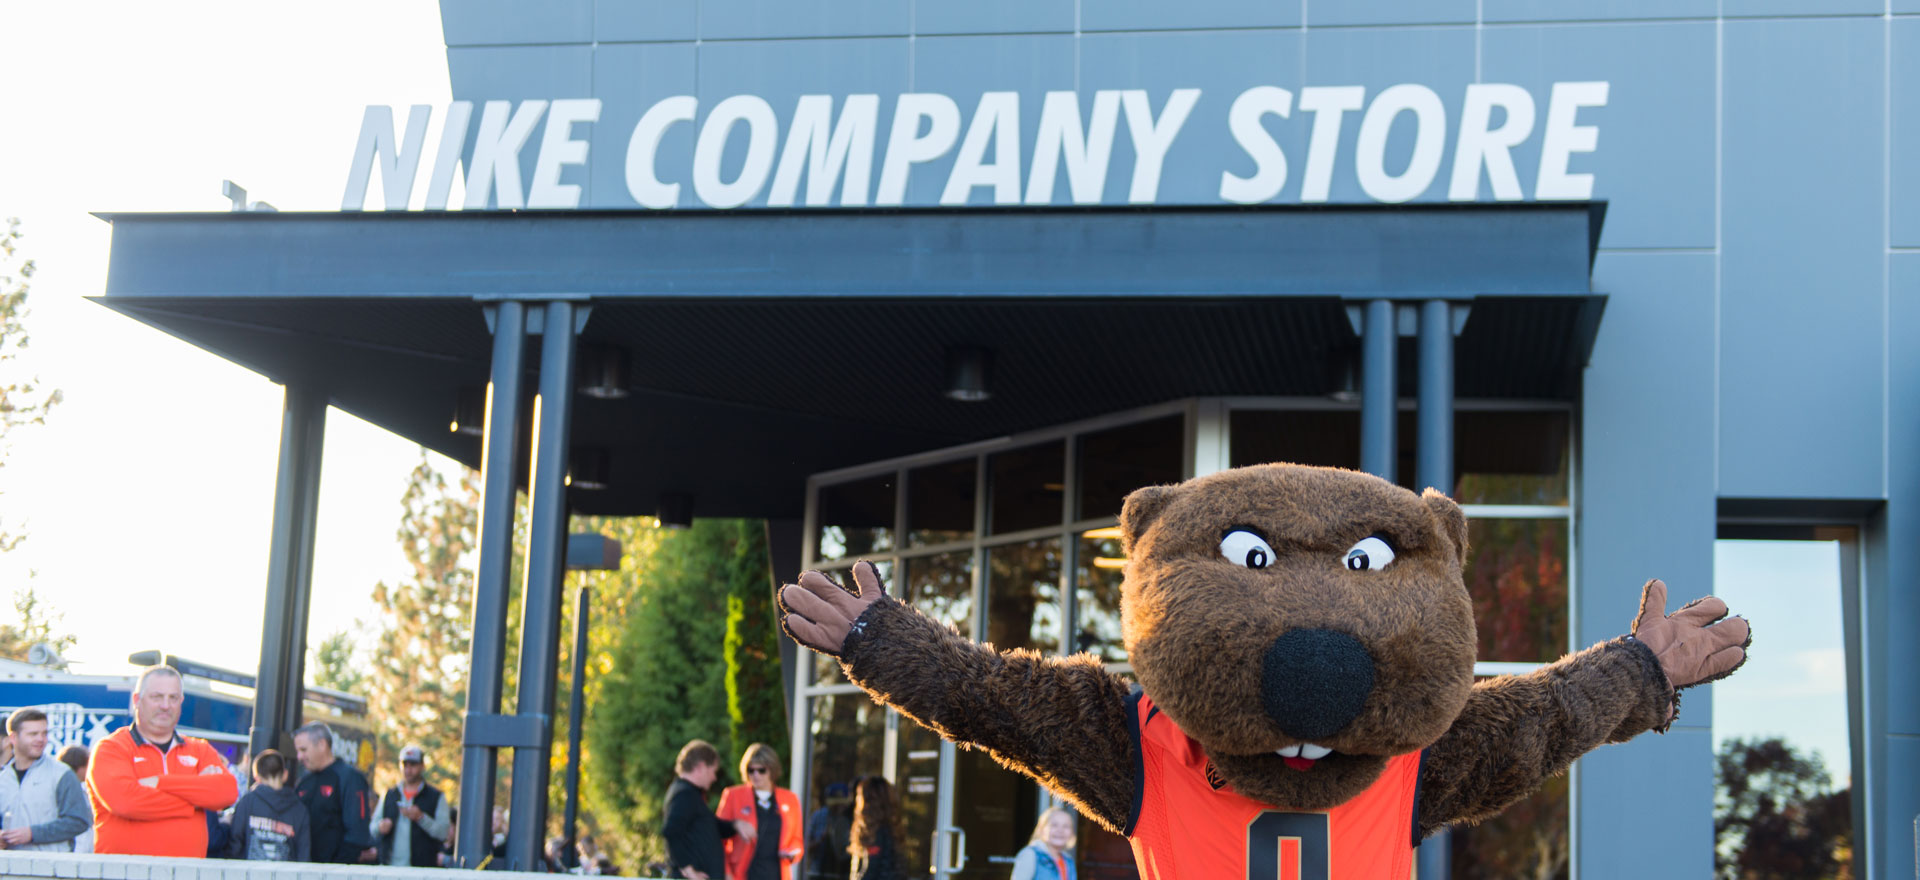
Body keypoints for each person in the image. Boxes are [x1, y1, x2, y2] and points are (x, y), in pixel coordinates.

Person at [89, 665, 239, 856]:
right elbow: (126, 803)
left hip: (186, 874)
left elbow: (226, 792)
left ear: (181, 701)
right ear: (137, 700)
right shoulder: (111, 749)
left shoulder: (199, 749)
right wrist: (194, 801)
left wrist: (160, 782)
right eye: (157, 697)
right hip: (124, 874)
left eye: (173, 698)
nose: (165, 705)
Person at [0, 707, 92, 852]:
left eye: (44, 733)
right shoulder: (3, 778)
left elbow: (79, 821)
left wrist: (33, 833)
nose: (40, 739)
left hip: (52, 870)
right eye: (33, 734)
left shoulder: (62, 774)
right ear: (13, 738)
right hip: (10, 869)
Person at [662, 739, 755, 880]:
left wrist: (736, 825)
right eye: (713, 771)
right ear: (701, 767)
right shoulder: (684, 794)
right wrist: (689, 870)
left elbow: (711, 827)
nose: (714, 777)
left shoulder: (692, 794)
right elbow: (671, 831)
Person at [292, 721, 376, 863]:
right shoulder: (304, 781)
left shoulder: (349, 778)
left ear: (322, 745)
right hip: (305, 868)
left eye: (303, 750)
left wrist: (335, 868)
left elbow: (357, 833)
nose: (299, 757)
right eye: (298, 751)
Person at [716, 743, 803, 880]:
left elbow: (797, 840)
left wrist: (792, 853)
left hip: (776, 873)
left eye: (761, 770)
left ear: (772, 771)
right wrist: (726, 873)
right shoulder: (733, 795)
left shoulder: (789, 799)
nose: (756, 775)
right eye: (751, 770)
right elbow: (718, 838)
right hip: (742, 874)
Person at [372, 744, 450, 868]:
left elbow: (443, 833)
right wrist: (381, 826)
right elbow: (372, 828)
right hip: (389, 868)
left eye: (413, 765)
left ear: (422, 766)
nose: (408, 770)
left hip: (422, 870)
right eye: (405, 765)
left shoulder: (436, 797)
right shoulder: (390, 794)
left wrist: (421, 818)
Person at [227, 750, 310, 861]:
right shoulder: (300, 809)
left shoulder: (247, 802)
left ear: (257, 778)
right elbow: (304, 853)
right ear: (285, 775)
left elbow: (235, 844)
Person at [846, 776, 902, 880]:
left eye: (859, 795)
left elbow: (870, 871)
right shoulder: (889, 829)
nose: (856, 799)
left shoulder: (877, 832)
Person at [1008, 807, 1076, 880]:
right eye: (1054, 825)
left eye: (1066, 826)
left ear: (1071, 832)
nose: (1060, 830)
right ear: (1042, 829)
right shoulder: (1030, 854)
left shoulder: (1069, 861)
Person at [803, 782, 852, 880]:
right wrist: (821, 838)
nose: (838, 807)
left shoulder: (851, 819)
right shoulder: (819, 816)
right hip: (818, 873)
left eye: (842, 804)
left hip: (843, 874)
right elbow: (805, 847)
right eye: (835, 804)